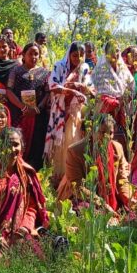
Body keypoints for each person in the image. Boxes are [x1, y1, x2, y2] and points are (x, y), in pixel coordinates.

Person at [0, 128, 50, 253]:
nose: (12, 149)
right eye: (7, 145)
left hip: (18, 231)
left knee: (34, 258)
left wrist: (25, 227)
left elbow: (31, 206)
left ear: (22, 146)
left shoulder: (25, 172)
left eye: (16, 144)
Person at [57, 114, 132, 214]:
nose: (107, 137)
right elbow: (77, 187)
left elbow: (122, 179)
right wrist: (102, 204)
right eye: (102, 132)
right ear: (92, 131)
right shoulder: (75, 151)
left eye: (111, 133)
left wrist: (128, 199)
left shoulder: (117, 148)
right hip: (82, 198)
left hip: (110, 199)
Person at [45, 41, 93, 187]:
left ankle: (70, 177)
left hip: (74, 111)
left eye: (81, 55)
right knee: (59, 143)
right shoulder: (59, 66)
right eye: (74, 55)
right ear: (68, 54)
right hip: (59, 110)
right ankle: (57, 176)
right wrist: (72, 90)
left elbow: (90, 89)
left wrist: (81, 86)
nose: (77, 59)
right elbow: (53, 86)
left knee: (72, 140)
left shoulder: (84, 68)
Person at [6, 42, 52, 170]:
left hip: (38, 115)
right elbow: (9, 91)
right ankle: (15, 166)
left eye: (36, 54)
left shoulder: (45, 73)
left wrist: (38, 108)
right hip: (19, 112)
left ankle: (33, 171)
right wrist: (23, 107)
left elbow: (48, 93)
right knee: (18, 139)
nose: (33, 56)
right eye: (30, 53)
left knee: (36, 143)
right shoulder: (16, 71)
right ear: (24, 55)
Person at [91, 40, 135, 148]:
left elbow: (131, 87)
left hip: (123, 110)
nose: (114, 54)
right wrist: (116, 102)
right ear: (106, 53)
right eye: (111, 51)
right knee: (105, 139)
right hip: (106, 111)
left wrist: (124, 99)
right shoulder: (100, 70)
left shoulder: (124, 69)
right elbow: (98, 92)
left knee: (122, 140)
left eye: (117, 51)